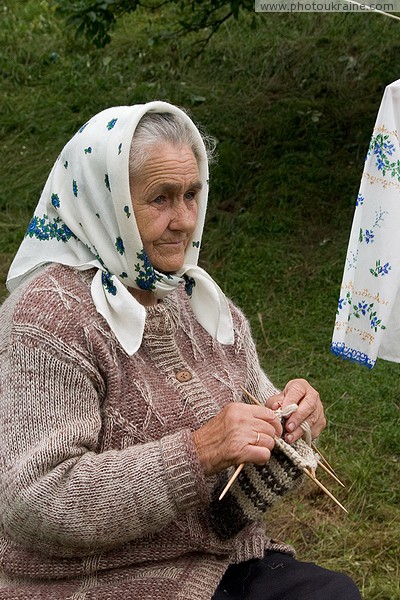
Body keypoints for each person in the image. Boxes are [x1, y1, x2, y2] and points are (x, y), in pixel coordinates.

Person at [0, 102, 361, 599]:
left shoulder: (198, 302)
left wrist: (289, 427)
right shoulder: (47, 317)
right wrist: (200, 451)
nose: (185, 220)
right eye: (161, 199)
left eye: (192, 194)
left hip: (216, 563)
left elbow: (227, 506)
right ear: (107, 201)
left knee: (332, 595)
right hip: (99, 581)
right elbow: (33, 503)